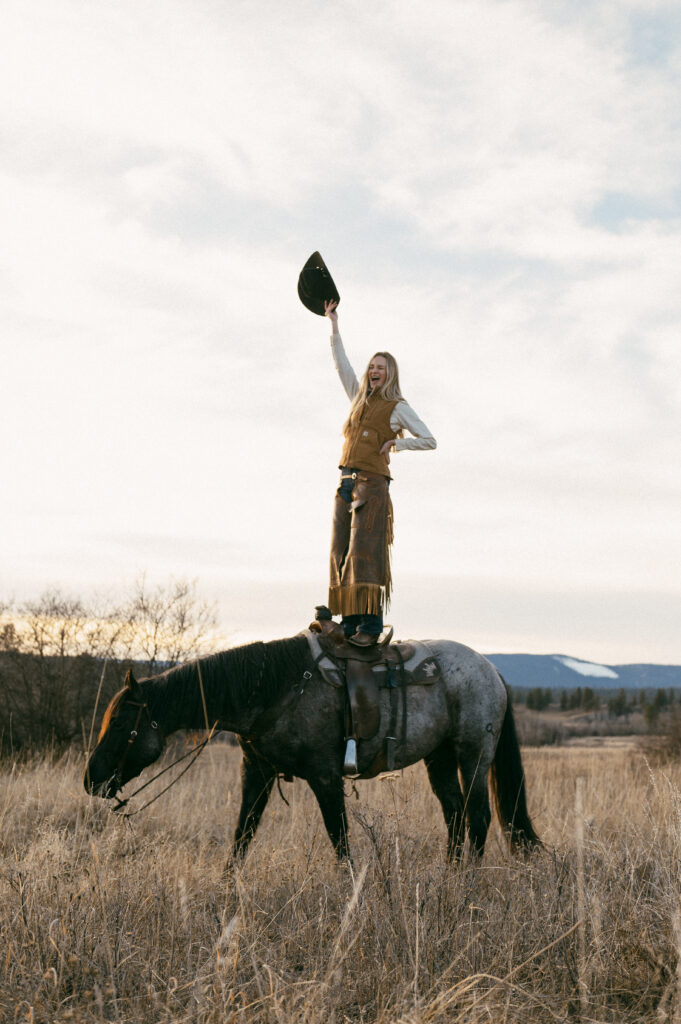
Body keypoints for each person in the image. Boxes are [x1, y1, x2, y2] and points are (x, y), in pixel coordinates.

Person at [324, 299, 436, 646]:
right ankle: (348, 621)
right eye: (372, 366)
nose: (374, 371)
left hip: (372, 487)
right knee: (340, 550)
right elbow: (342, 365)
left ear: (390, 374)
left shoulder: (396, 406)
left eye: (381, 368)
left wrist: (397, 446)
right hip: (345, 484)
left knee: (364, 551)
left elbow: (429, 439)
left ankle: (371, 625)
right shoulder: (359, 399)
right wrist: (334, 326)